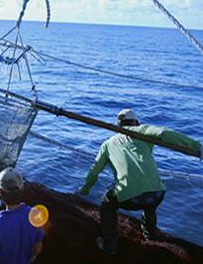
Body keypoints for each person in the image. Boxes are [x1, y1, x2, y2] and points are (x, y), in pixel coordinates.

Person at [78, 109, 202, 255]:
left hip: (132, 199)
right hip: (158, 194)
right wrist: (196, 146)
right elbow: (164, 133)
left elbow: (94, 171)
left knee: (107, 205)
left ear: (118, 124)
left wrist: (85, 189)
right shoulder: (142, 131)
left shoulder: (107, 144)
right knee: (149, 203)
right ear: (136, 122)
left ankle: (109, 245)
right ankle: (150, 234)